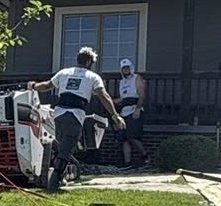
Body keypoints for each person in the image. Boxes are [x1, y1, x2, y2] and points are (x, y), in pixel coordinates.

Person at [34, 46, 124, 191]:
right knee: (67, 148)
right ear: (89, 62)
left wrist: (33, 85)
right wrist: (115, 115)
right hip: (75, 114)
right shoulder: (92, 77)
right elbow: (104, 96)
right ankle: (54, 182)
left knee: (62, 145)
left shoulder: (64, 73)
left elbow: (46, 86)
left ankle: (58, 176)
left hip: (59, 114)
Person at [115, 56, 148, 167]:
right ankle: (127, 163)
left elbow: (141, 95)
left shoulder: (137, 78)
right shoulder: (122, 82)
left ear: (131, 68)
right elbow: (123, 98)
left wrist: (138, 109)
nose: (126, 70)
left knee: (133, 136)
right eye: (124, 68)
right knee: (124, 139)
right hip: (124, 111)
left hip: (134, 110)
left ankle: (145, 157)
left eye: (128, 68)